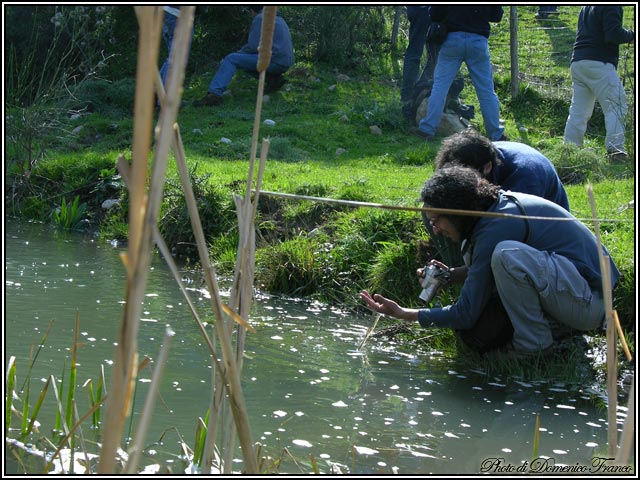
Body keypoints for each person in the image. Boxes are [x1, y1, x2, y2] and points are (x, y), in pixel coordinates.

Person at [361, 165, 620, 356]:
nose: (435, 229)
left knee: (507, 256)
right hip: (577, 291)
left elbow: (466, 314)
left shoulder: (496, 227)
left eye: (437, 219)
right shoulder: (490, 211)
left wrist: (405, 314)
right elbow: (481, 271)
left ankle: (534, 346)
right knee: (505, 258)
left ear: (459, 211)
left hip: (592, 302)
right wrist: (451, 275)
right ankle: (551, 330)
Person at [424, 130, 570, 266]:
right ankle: (457, 266)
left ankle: (471, 272)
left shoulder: (524, 176)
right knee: (433, 209)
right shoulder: (473, 156)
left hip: (545, 244)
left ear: (487, 167)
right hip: (506, 225)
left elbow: (508, 229)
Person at [413, 6, 506, 142]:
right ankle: (496, 134)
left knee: (440, 87)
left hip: (452, 39)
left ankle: (427, 129)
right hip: (478, 41)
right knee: (486, 91)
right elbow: (497, 16)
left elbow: (435, 13)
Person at [563, 6, 634, 162]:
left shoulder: (586, 6)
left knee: (579, 111)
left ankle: (569, 150)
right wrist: (631, 35)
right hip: (598, 62)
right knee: (617, 104)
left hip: (578, 62)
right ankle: (615, 150)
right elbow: (613, 34)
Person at [194, 6, 294, 107]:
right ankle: (274, 79)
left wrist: (239, 53)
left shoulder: (260, 18)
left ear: (253, 10)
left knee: (231, 59)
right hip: (285, 62)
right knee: (244, 62)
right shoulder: (279, 18)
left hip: (273, 61)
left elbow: (253, 46)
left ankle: (214, 94)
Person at [401, 6, 438, 120]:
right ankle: (413, 96)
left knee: (419, 53)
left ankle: (412, 96)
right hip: (426, 8)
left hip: (418, 9)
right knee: (433, 55)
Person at [159, 6, 194, 88]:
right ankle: (165, 98)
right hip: (177, 15)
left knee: (172, 59)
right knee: (177, 61)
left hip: (169, 14)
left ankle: (156, 94)